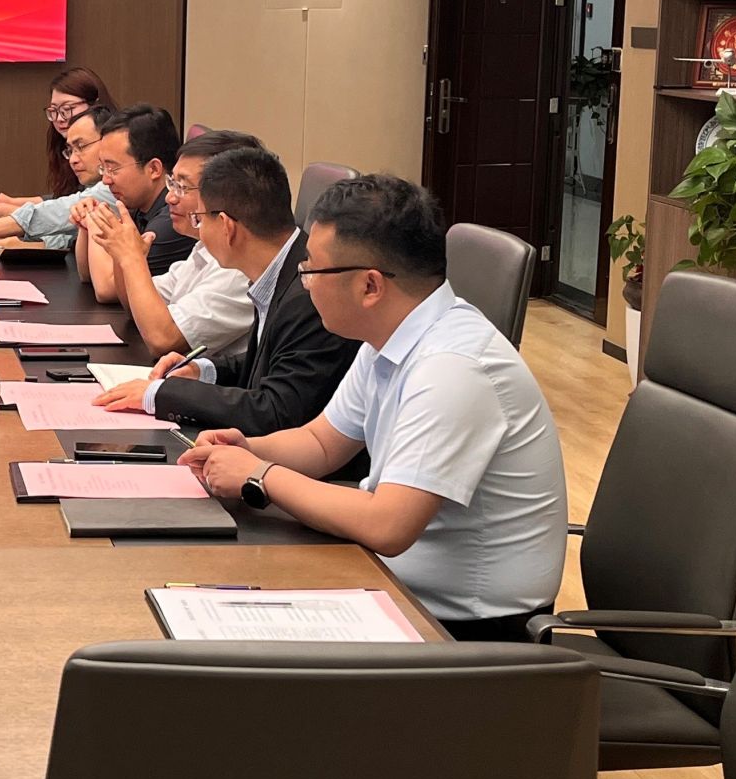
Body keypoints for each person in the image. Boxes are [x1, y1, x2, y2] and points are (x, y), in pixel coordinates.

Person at [176, 175, 568, 639]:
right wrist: (247, 448)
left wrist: (259, 475)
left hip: (465, 632)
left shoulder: (455, 368)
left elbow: (387, 525)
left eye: (312, 270)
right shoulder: (390, 335)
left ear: (369, 286)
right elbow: (322, 442)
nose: (304, 284)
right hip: (389, 582)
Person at [94, 145, 360, 452]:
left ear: (226, 226)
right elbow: (271, 361)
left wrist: (161, 394)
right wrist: (204, 370)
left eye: (200, 220)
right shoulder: (280, 267)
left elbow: (277, 410)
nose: (199, 230)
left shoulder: (309, 293)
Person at [87, 129, 258, 357]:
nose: (170, 197)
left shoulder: (238, 269)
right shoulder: (205, 248)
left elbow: (164, 340)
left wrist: (132, 259)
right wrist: (122, 253)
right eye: (172, 183)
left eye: (183, 187)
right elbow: (132, 304)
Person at [0, 107, 115, 262]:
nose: (73, 160)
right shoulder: (94, 183)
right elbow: (71, 232)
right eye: (70, 151)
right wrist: (30, 245)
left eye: (81, 146)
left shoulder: (111, 188)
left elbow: (59, 212)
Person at [0, 65, 118, 217]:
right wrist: (12, 202)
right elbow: (64, 200)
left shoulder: (116, 147)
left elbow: (79, 206)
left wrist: (17, 214)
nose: (59, 118)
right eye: (54, 111)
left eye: (67, 109)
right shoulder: (61, 143)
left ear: (95, 105)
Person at [73, 105, 193, 285]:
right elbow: (86, 274)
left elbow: (108, 287)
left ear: (154, 169)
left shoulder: (172, 219)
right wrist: (86, 224)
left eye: (113, 168)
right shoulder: (139, 205)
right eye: (103, 168)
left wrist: (96, 221)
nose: (105, 180)